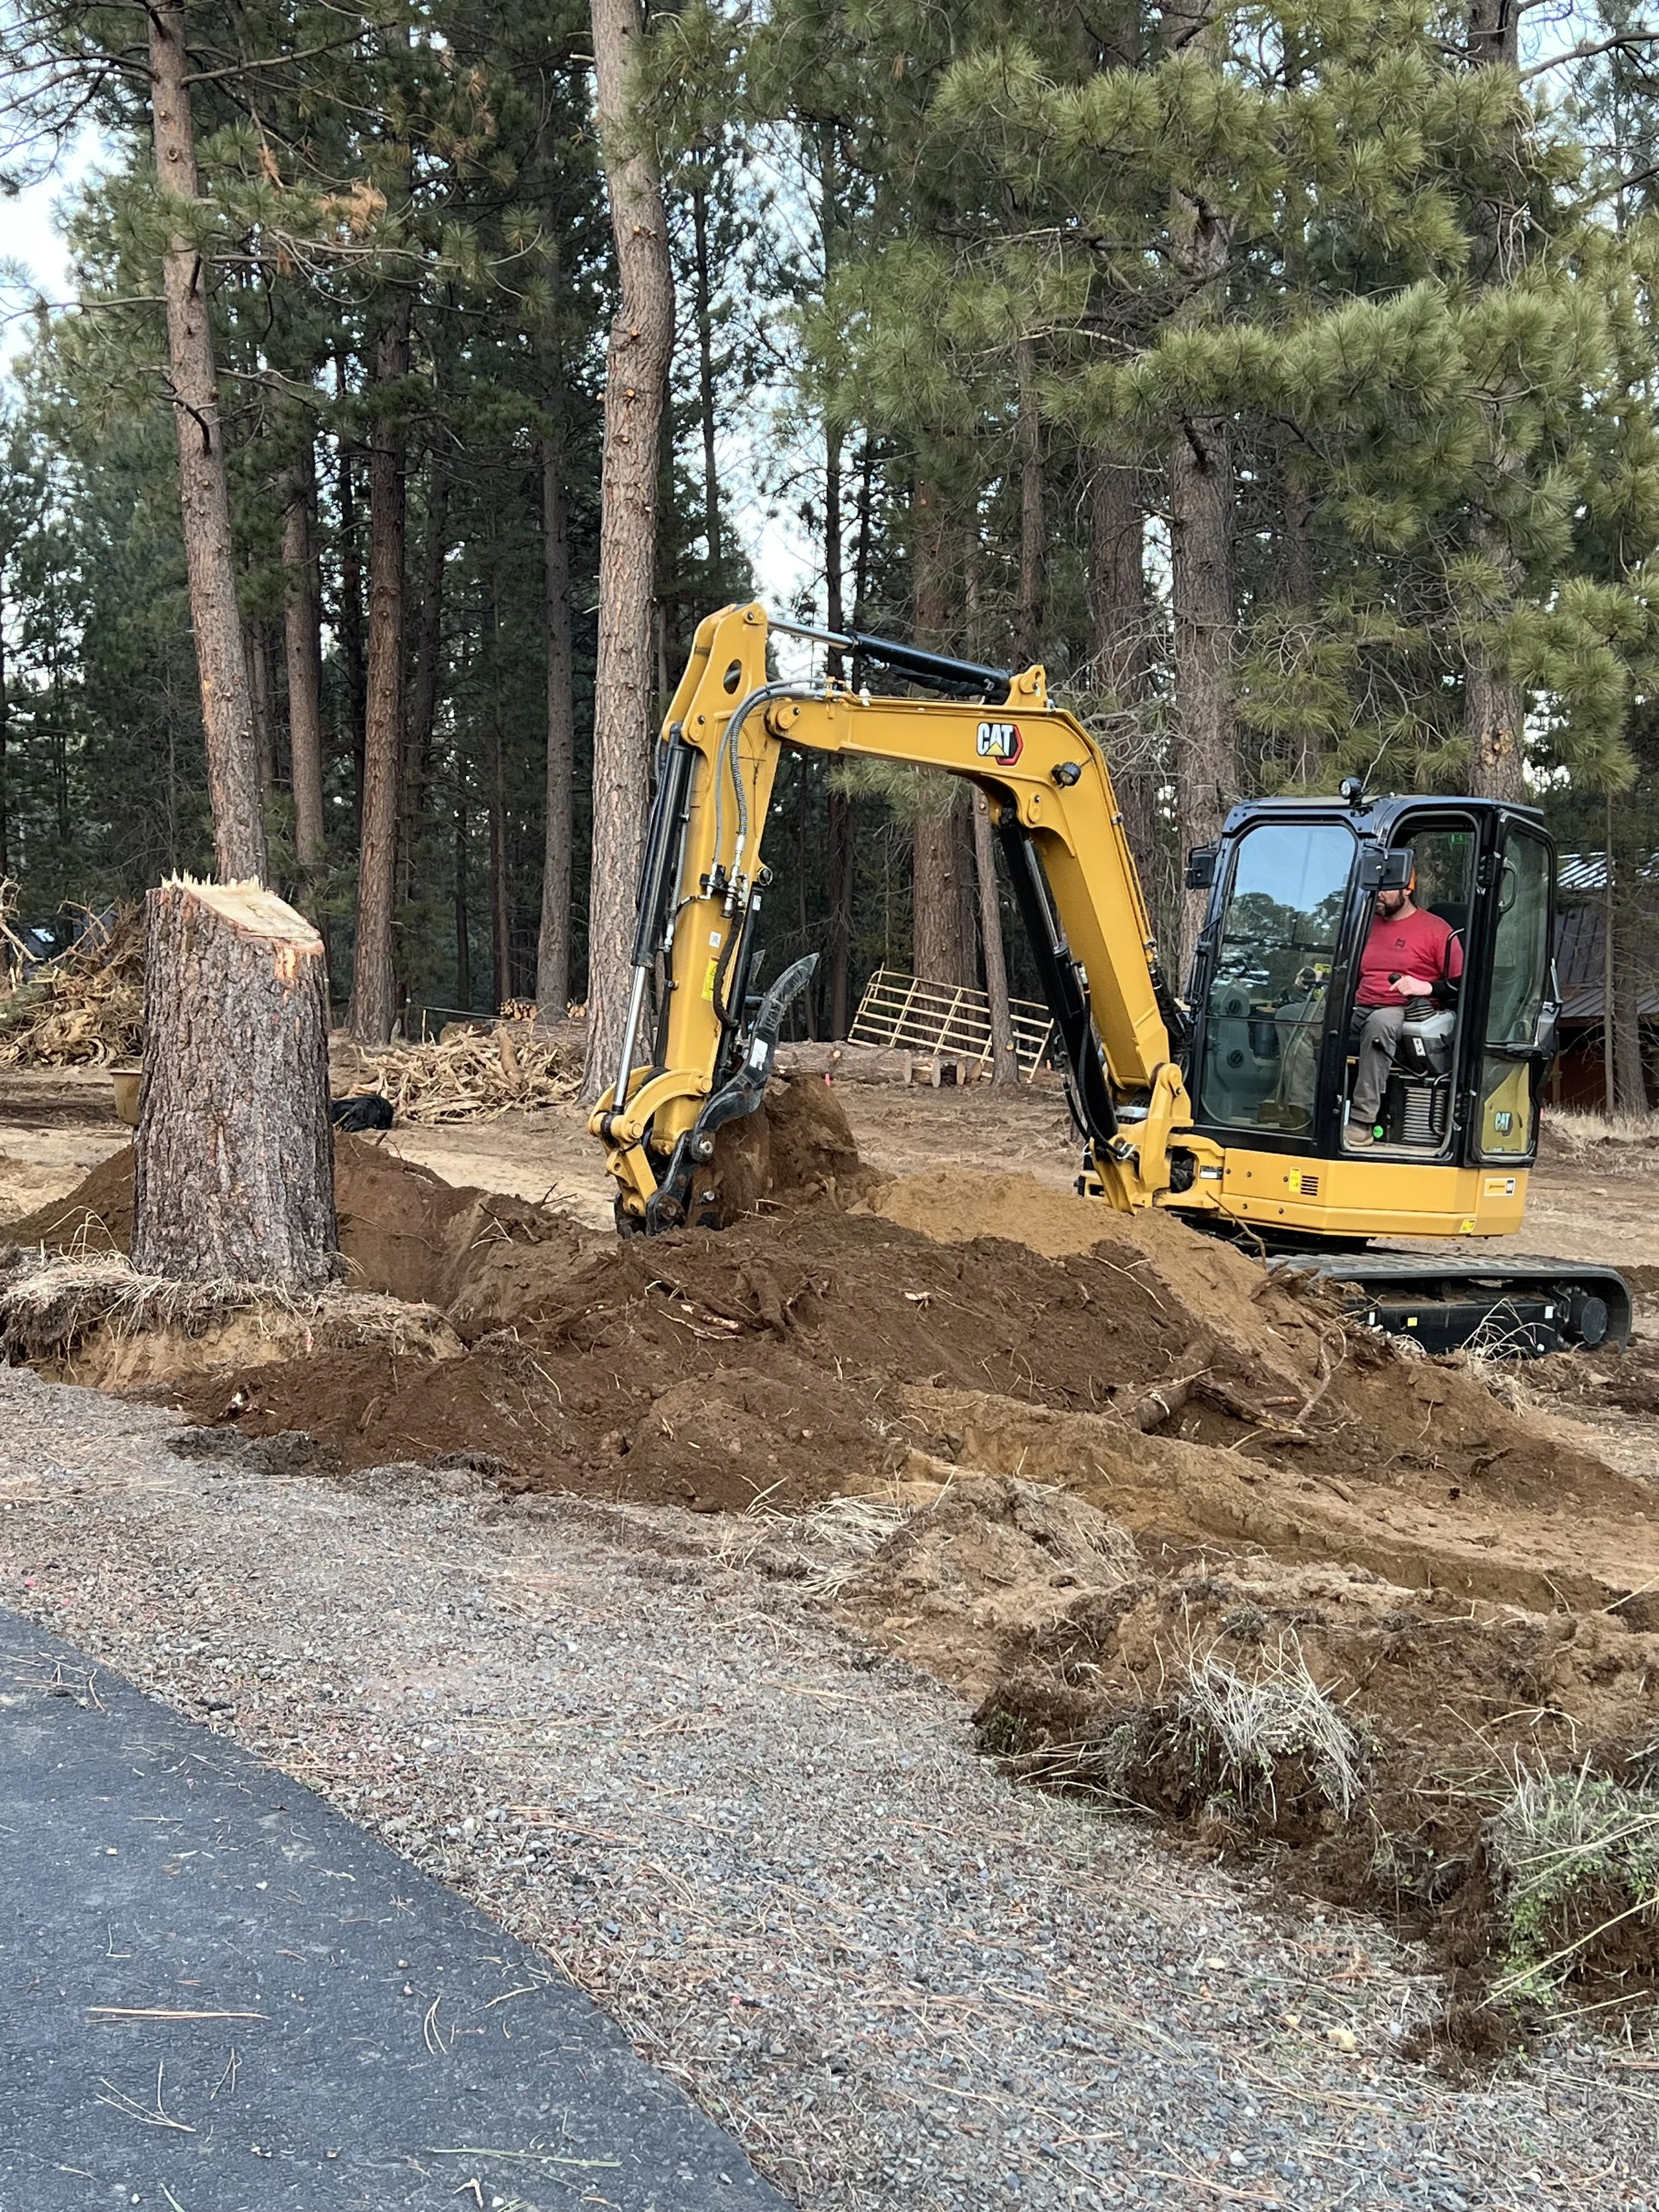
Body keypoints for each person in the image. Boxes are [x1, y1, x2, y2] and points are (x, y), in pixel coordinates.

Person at [1344, 872, 1463, 1147]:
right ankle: (1297, 1108)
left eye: (1386, 889)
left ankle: (1362, 1121)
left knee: (1380, 1024)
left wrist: (1427, 987)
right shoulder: (1365, 925)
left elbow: (1463, 981)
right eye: (1377, 888)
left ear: (1407, 889)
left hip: (1405, 1010)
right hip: (1361, 1004)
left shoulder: (1436, 930)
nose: (1379, 895)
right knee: (1301, 1017)